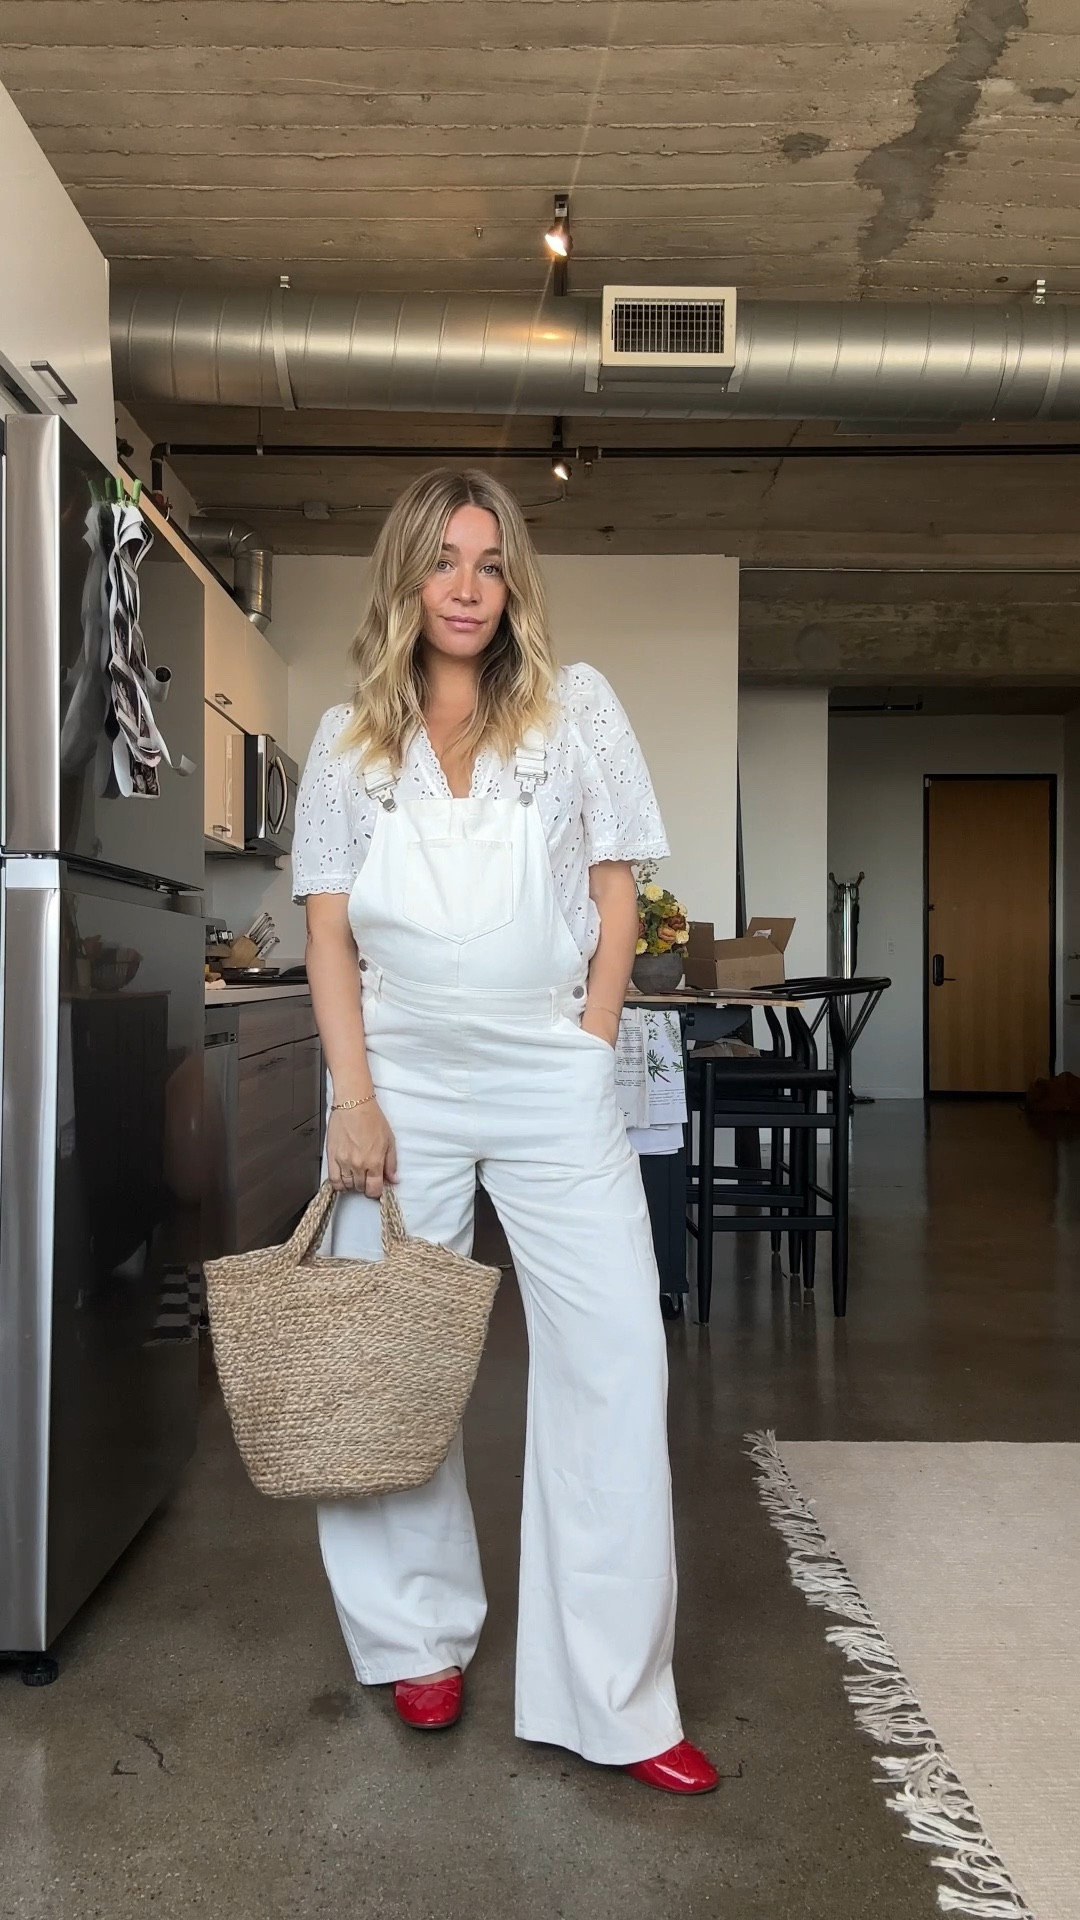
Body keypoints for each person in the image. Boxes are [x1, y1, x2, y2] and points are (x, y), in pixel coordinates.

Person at [292, 468, 717, 1794]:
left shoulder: (573, 710)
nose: (468, 587)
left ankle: (620, 1696)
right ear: (407, 579)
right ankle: (416, 1637)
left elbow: (614, 885)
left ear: (513, 581)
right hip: (401, 1073)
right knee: (395, 1363)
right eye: (443, 561)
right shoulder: (346, 740)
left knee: (613, 1360)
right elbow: (323, 930)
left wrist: (592, 1041)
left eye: (489, 562)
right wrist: (353, 1095)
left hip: (547, 1066)